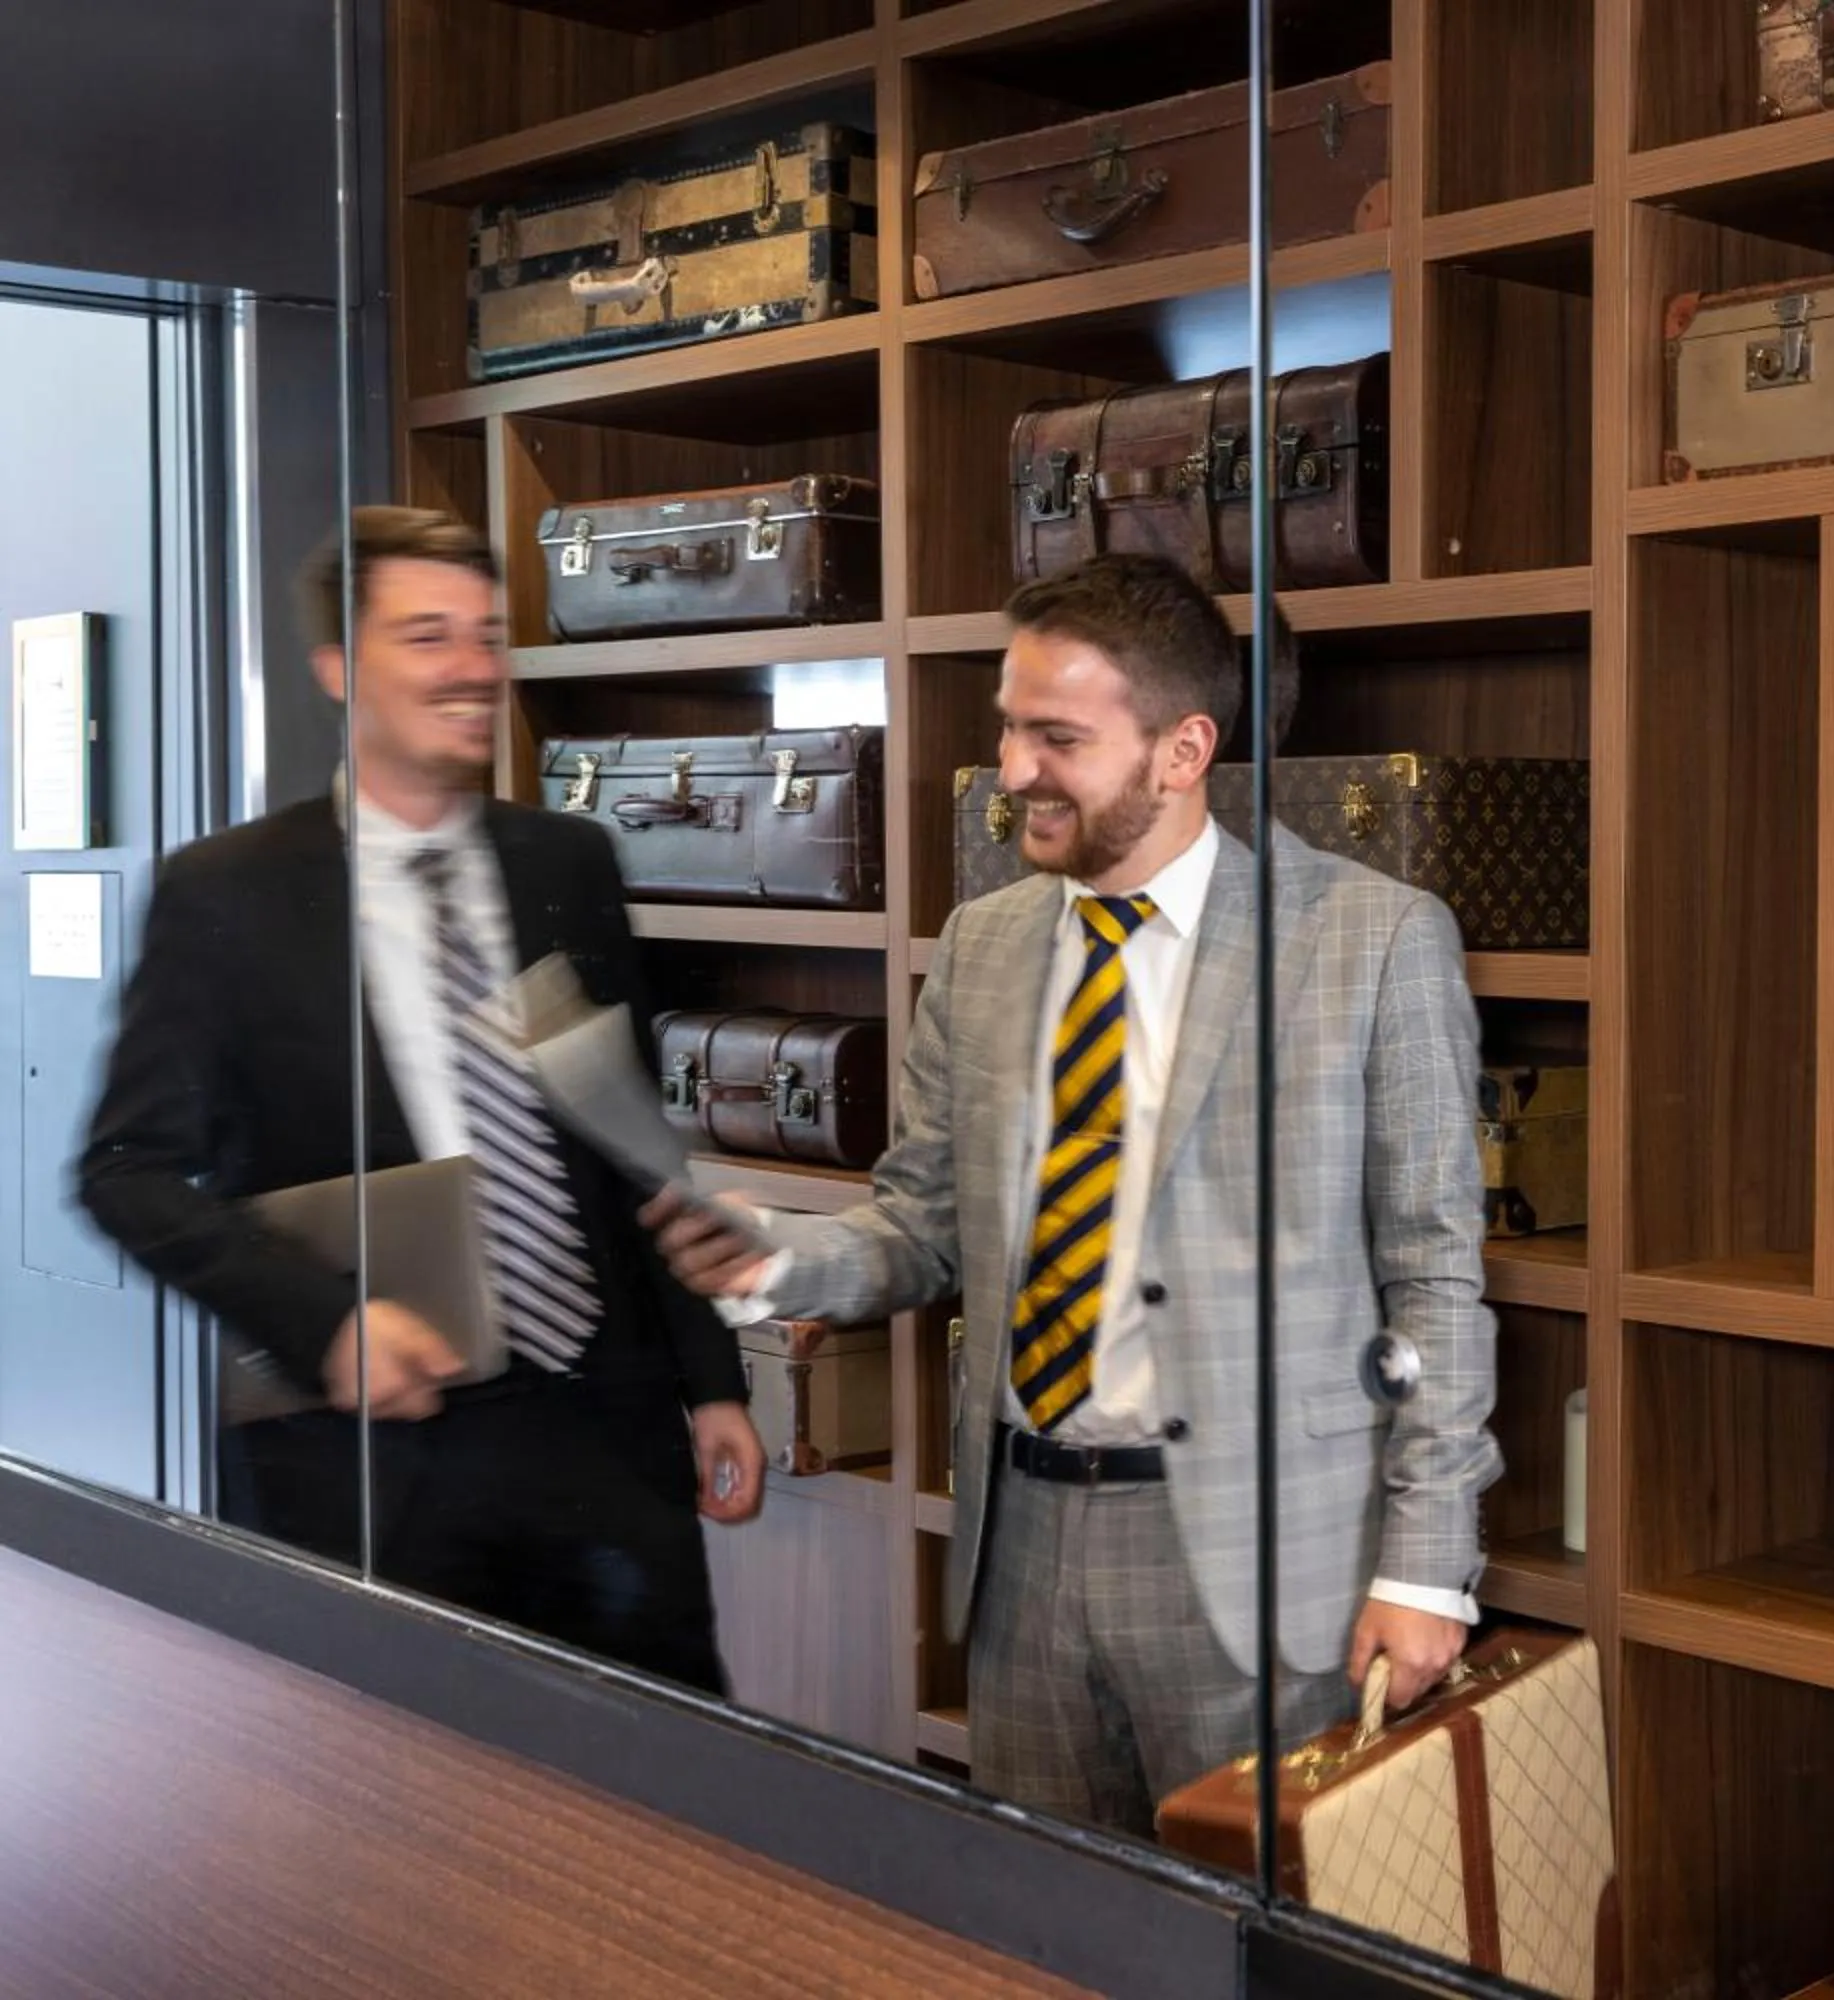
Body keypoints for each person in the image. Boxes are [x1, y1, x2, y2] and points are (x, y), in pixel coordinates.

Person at [648, 551, 1501, 1831]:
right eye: (1008, 724)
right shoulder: (984, 945)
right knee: (1046, 1937)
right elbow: (927, 1221)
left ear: (1181, 748)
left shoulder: (1372, 940)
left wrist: (1428, 1567)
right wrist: (777, 1256)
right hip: (1020, 1546)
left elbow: (1434, 1273)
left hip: (1262, 1566)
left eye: (1057, 736)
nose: (1013, 769)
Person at [74, 504, 764, 1695]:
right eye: (429, 636)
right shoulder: (225, 894)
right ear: (340, 668)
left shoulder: (569, 862)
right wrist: (325, 1320)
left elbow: (631, 1137)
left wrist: (710, 1381)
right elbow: (125, 1167)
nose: (472, 670)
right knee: (393, 1819)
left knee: (657, 1802)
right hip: (368, 1457)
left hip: (606, 1434)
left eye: (488, 636)